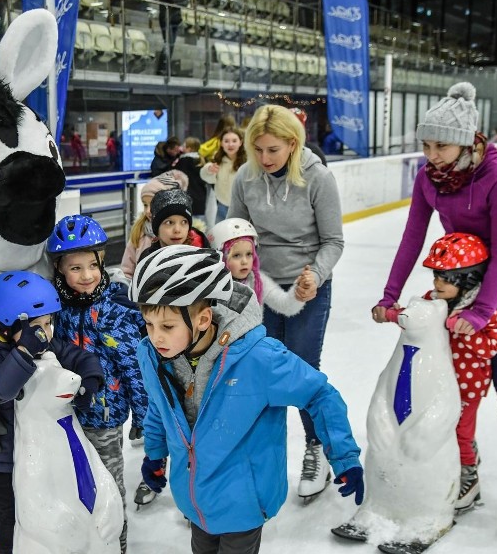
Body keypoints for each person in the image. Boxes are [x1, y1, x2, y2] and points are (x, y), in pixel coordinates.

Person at [372, 82, 497, 535]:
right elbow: (412, 237)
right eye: (425, 145)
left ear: (466, 140)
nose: (431, 155)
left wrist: (485, 309)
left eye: (440, 144)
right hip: (458, 291)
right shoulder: (429, 178)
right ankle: (466, 468)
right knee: (452, 388)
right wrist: (389, 295)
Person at [129, 245, 364, 553]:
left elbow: (320, 394)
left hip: (244, 501)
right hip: (195, 498)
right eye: (149, 324)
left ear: (202, 319)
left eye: (167, 326)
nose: (155, 336)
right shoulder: (154, 356)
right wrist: (156, 454)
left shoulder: (258, 357)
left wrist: (343, 455)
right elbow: (160, 409)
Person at [227, 104, 344, 504]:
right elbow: (234, 234)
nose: (264, 159)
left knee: (302, 368)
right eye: (257, 149)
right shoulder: (246, 177)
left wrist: (316, 274)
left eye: (272, 150)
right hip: (259, 287)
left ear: (293, 145)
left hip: (306, 287)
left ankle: (317, 449)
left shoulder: (318, 179)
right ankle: (261, 454)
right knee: (260, 370)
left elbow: (333, 241)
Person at [0, 270, 104, 554]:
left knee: (12, 502)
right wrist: (25, 351)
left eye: (49, 322)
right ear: (4, 325)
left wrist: (90, 379)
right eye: (37, 326)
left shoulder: (39, 341)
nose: (46, 333)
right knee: (10, 512)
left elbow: (79, 357)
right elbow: (1, 388)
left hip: (25, 449)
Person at [381, 233, 497, 514]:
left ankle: (469, 478)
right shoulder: (431, 300)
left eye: (446, 278)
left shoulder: (486, 312)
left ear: (467, 279)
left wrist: (467, 330)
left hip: (466, 385)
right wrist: (392, 314)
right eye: (437, 276)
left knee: (459, 428)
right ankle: (463, 454)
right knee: (446, 428)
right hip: (435, 380)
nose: (437, 284)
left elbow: (491, 347)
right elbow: (417, 322)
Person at [47, 215, 149, 551]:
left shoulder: (115, 310)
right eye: (75, 268)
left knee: (108, 485)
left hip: (105, 417)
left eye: (92, 265)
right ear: (60, 269)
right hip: (63, 415)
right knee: (70, 482)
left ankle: (115, 543)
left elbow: (133, 366)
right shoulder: (53, 308)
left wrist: (145, 417)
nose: (87, 275)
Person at [208, 217, 313, 317]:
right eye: (236, 255)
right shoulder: (211, 284)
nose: (245, 261)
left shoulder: (257, 280)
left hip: (253, 335)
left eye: (249, 254)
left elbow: (286, 306)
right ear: (220, 257)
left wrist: (299, 290)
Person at [120, 170, 189, 280]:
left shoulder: (187, 236)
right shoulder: (139, 232)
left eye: (152, 204)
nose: (148, 211)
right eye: (145, 205)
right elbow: (127, 271)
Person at [141, 188, 210, 259]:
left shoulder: (205, 257)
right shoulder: (147, 259)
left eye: (184, 222)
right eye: (169, 222)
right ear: (156, 227)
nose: (177, 230)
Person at [200, 126, 246, 223]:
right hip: (222, 206)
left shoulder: (248, 161)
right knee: (221, 237)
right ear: (221, 143)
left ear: (240, 142)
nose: (230, 144)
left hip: (243, 209)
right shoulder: (218, 160)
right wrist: (209, 169)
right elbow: (205, 176)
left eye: (234, 141)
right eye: (226, 141)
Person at [174, 136, 207, 227]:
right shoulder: (201, 160)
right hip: (201, 197)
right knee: (200, 226)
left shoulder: (183, 161)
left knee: (187, 224)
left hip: (187, 196)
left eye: (184, 145)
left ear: (189, 148)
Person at [157, 0, 187, 74]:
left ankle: (166, 67)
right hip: (166, 18)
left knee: (171, 45)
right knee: (168, 43)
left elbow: (186, 2)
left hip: (176, 19)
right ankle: (162, 68)